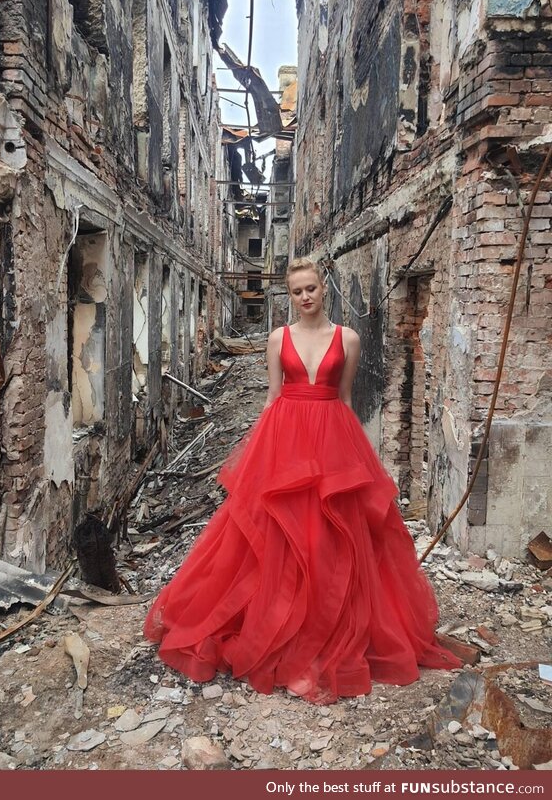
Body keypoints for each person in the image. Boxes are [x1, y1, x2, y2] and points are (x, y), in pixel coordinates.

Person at [144, 257, 460, 703]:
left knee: (334, 536)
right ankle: (277, 624)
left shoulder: (348, 338)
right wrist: (260, 459)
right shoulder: (278, 338)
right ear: (290, 296)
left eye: (311, 288)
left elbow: (345, 398)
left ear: (323, 289)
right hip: (286, 435)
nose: (305, 296)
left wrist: (356, 460)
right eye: (297, 291)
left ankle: (325, 627)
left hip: (333, 435)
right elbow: (273, 397)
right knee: (279, 534)